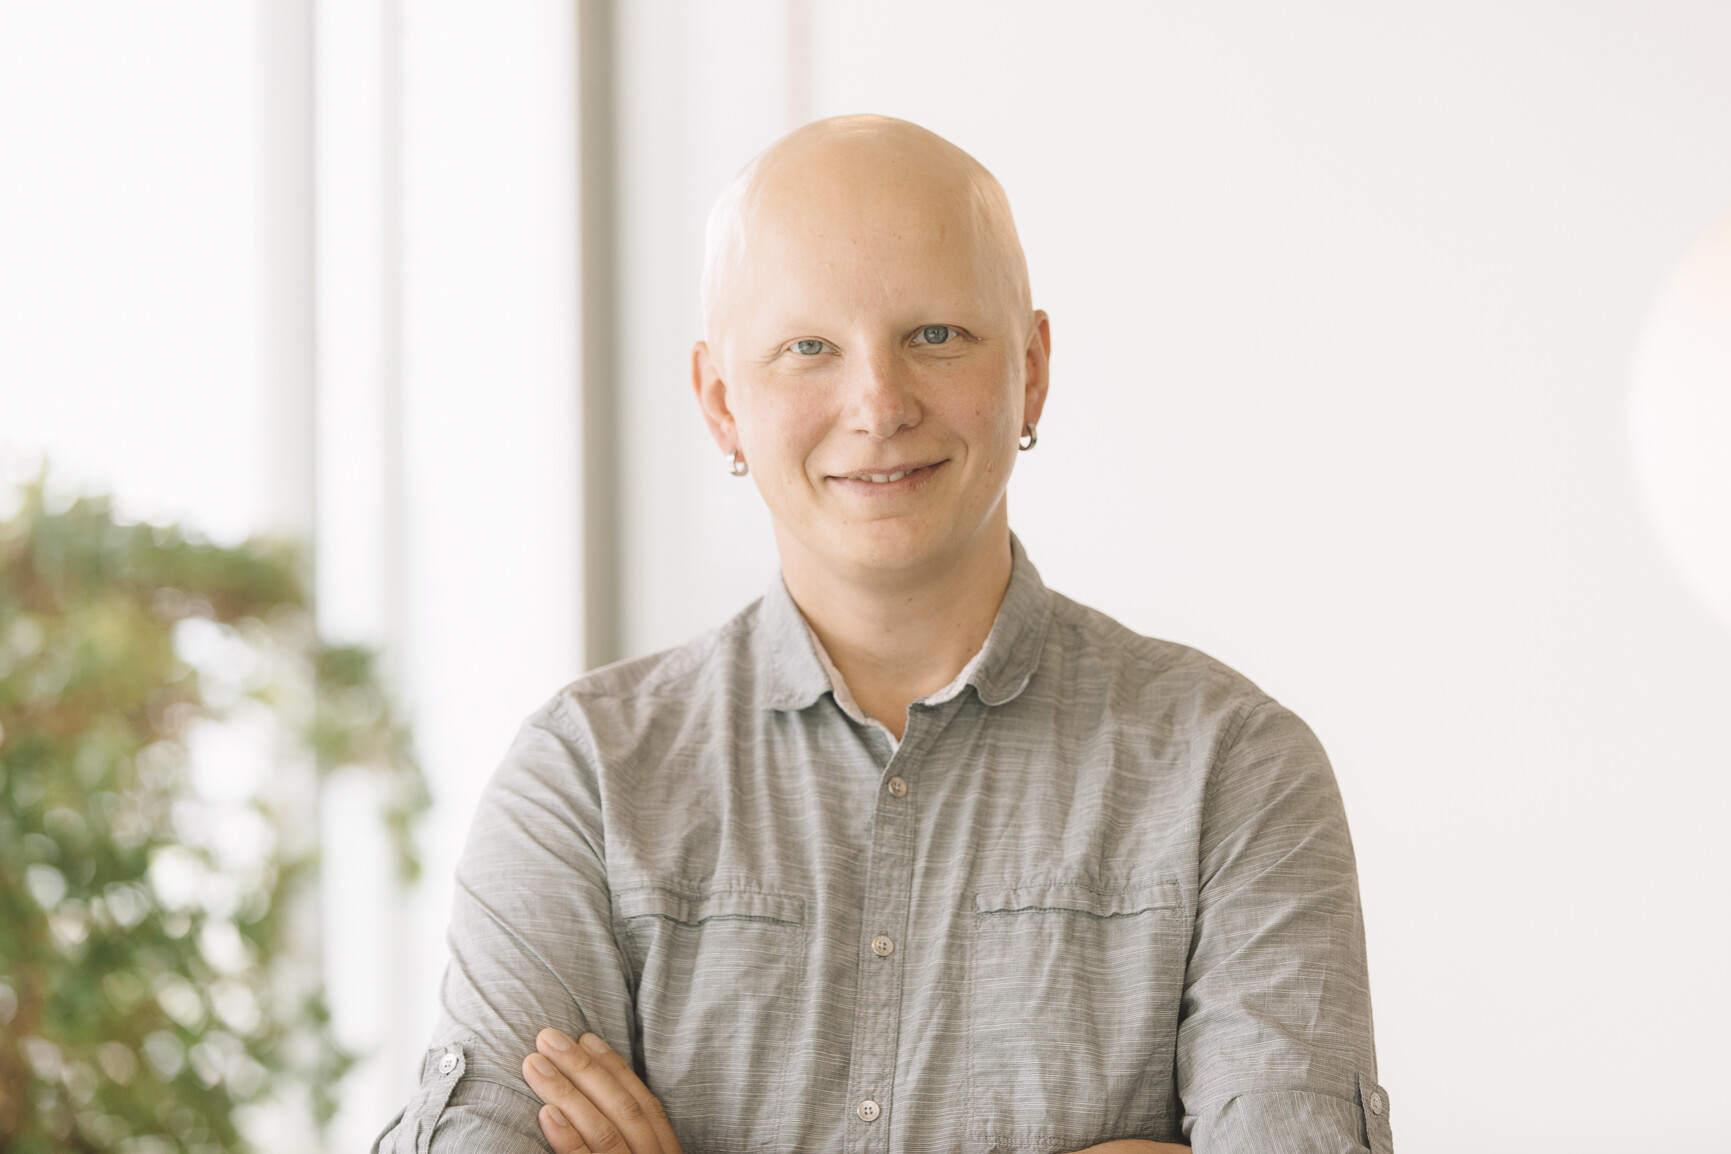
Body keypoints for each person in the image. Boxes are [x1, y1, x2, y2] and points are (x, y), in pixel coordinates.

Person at [374, 114, 1393, 1154]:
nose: (877, 401)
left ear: (1031, 370)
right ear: (722, 401)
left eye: (936, 336)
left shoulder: (1237, 772)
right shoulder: (585, 779)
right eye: (808, 347)